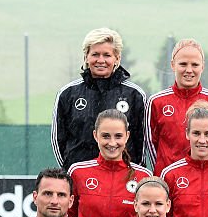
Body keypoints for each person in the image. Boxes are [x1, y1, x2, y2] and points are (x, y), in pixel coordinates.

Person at [52, 28, 147, 170]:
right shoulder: (68, 94)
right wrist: (72, 170)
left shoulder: (135, 95)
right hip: (80, 180)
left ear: (117, 58)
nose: (100, 60)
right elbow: (58, 141)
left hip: (123, 178)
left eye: (107, 55)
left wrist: (131, 171)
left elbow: (143, 141)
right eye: (95, 54)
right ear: (86, 57)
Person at [146, 38, 208, 175]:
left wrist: (205, 168)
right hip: (167, 181)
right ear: (173, 65)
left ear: (202, 66)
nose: (189, 70)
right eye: (183, 64)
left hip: (204, 178)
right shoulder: (157, 102)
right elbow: (151, 143)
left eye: (195, 65)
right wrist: (167, 171)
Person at [68, 109, 151, 217]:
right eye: (106, 136)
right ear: (95, 136)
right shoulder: (78, 172)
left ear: (127, 136)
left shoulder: (143, 176)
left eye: (118, 136)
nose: (112, 143)